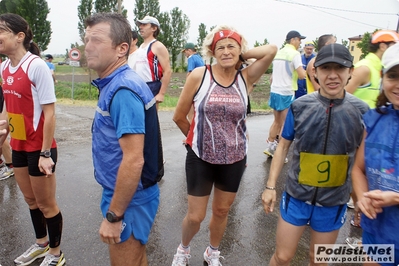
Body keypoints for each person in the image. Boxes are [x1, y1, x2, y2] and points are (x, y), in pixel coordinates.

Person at [171, 25, 277, 266]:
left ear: (240, 50)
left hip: (235, 158)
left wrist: (243, 55)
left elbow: (271, 50)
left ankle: (212, 251)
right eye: (220, 47)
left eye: (232, 47)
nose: (226, 51)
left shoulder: (246, 77)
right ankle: (183, 249)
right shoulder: (200, 74)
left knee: (221, 212)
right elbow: (179, 116)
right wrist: (197, 140)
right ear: (212, 51)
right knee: (195, 216)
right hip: (200, 157)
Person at [261, 43, 369, 266]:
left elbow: (361, 161)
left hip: (334, 202)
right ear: (315, 72)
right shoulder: (299, 106)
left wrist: (359, 200)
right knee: (282, 256)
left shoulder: (362, 112)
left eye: (339, 69)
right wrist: (270, 186)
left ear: (350, 72)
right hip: (296, 197)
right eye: (325, 68)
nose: (332, 75)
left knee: (318, 260)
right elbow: (282, 146)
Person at [85, 12, 163, 266]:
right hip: (131, 193)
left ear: (122, 49)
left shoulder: (122, 90)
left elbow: (133, 160)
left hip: (130, 197)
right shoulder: (115, 82)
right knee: (137, 258)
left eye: (96, 40)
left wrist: (114, 216)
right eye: (86, 40)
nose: (87, 47)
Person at [0, 13, 65, 266]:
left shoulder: (36, 66)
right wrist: (5, 129)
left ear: (19, 36)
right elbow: (8, 103)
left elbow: (50, 113)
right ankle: (41, 244)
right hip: (18, 145)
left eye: (1, 31)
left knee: (47, 204)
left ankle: (56, 253)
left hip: (40, 149)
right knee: (30, 200)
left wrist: (46, 153)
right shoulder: (4, 67)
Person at [351, 42, 399, 266]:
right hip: (377, 230)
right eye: (394, 76)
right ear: (382, 77)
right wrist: (362, 198)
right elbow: (358, 169)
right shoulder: (375, 118)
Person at [263, 30, 306, 159]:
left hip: (275, 91)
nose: (300, 43)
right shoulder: (295, 54)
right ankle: (279, 152)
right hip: (287, 92)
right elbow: (302, 75)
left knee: (276, 121)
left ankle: (270, 146)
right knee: (284, 124)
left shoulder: (278, 53)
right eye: (299, 40)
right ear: (293, 40)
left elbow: (272, 77)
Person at [346, 30, 399, 108]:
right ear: (382, 46)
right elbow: (340, 98)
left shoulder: (381, 68)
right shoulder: (364, 68)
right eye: (395, 45)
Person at [132, 15, 171, 108]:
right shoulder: (141, 46)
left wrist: (161, 93)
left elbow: (168, 71)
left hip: (151, 86)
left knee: (150, 120)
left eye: (144, 25)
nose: (140, 27)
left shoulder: (158, 46)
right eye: (140, 25)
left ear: (154, 28)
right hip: (139, 86)